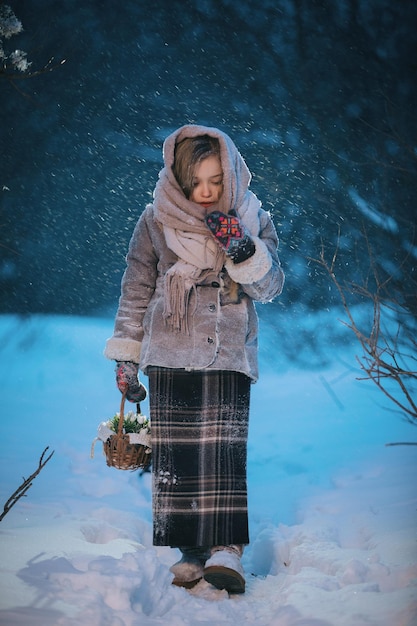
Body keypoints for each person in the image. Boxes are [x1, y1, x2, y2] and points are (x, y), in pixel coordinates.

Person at [104, 124, 285, 594]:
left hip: (227, 349)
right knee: (178, 457)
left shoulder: (251, 216)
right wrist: (126, 356)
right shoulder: (154, 219)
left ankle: (227, 551)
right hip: (169, 347)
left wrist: (242, 248)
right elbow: (137, 288)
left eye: (215, 181)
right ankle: (189, 550)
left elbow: (270, 287)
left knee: (223, 454)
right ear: (179, 181)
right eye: (195, 183)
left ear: (231, 174)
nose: (205, 193)